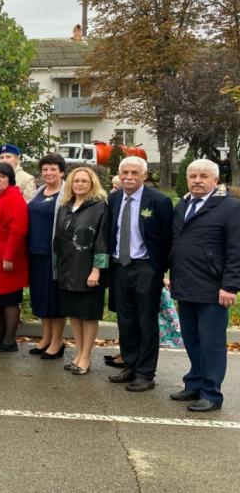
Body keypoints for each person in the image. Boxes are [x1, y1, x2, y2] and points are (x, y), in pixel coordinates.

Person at [168, 159, 240, 412]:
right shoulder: (184, 204)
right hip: (185, 285)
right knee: (192, 338)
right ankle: (194, 384)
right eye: (193, 176)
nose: (197, 180)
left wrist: (230, 286)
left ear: (215, 180)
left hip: (213, 288)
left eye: (204, 176)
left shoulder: (230, 208)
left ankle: (211, 393)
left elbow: (236, 250)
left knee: (211, 343)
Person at [106, 156, 174, 392]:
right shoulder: (114, 199)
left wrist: (161, 269)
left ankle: (146, 373)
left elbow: (167, 238)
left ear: (145, 175)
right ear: (119, 173)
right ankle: (131, 365)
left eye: (135, 173)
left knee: (146, 322)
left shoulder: (159, 201)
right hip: (119, 267)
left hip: (146, 267)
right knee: (126, 321)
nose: (129, 177)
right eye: (125, 172)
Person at [54, 167, 109, 376]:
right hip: (68, 269)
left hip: (88, 270)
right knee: (74, 314)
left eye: (84, 181)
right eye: (76, 180)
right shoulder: (65, 207)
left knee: (87, 315)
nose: (79, 184)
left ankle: (86, 357)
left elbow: (102, 240)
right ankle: (78, 353)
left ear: (92, 183)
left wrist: (96, 270)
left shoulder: (100, 207)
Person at [0, 163, 29, 352]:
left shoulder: (14, 198)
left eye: (2, 176)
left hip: (8, 258)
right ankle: (2, 336)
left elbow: (17, 230)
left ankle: (10, 341)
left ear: (10, 179)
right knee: (0, 299)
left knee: (10, 299)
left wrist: (9, 256)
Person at [27, 154, 67, 360]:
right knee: (41, 296)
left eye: (53, 169)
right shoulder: (39, 192)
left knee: (55, 299)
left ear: (61, 171)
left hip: (55, 255)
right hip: (36, 252)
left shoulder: (67, 193)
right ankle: (46, 337)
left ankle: (57, 341)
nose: (49, 173)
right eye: (45, 170)